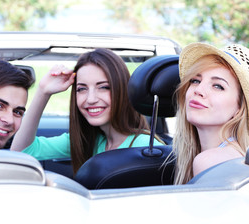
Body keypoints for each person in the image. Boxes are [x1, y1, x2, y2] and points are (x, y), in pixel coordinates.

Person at [11, 48, 163, 174]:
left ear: (122, 90)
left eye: (103, 87)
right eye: (82, 89)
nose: (90, 99)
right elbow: (21, 152)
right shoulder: (90, 140)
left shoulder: (146, 147)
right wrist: (43, 92)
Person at [171, 42, 249, 184]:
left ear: (239, 108)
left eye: (218, 86)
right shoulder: (236, 154)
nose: (198, 90)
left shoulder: (209, 161)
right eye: (195, 81)